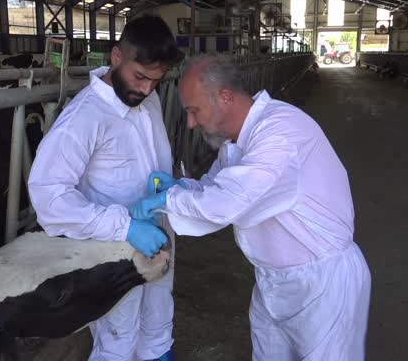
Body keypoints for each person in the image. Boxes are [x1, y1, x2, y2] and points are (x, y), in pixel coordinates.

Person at [133, 55, 372, 360]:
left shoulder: (280, 134)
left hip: (322, 284)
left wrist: (167, 200)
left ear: (225, 97)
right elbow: (214, 189)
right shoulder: (238, 142)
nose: (191, 123)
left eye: (194, 111)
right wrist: (178, 188)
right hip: (272, 279)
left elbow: (229, 200)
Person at [27, 15, 182, 361]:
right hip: (112, 254)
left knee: (158, 326)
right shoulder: (84, 117)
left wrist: (166, 184)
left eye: (156, 81)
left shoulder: (147, 100)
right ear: (116, 57)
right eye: (140, 77)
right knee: (118, 339)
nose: (145, 89)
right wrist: (125, 226)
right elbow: (48, 195)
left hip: (158, 241)